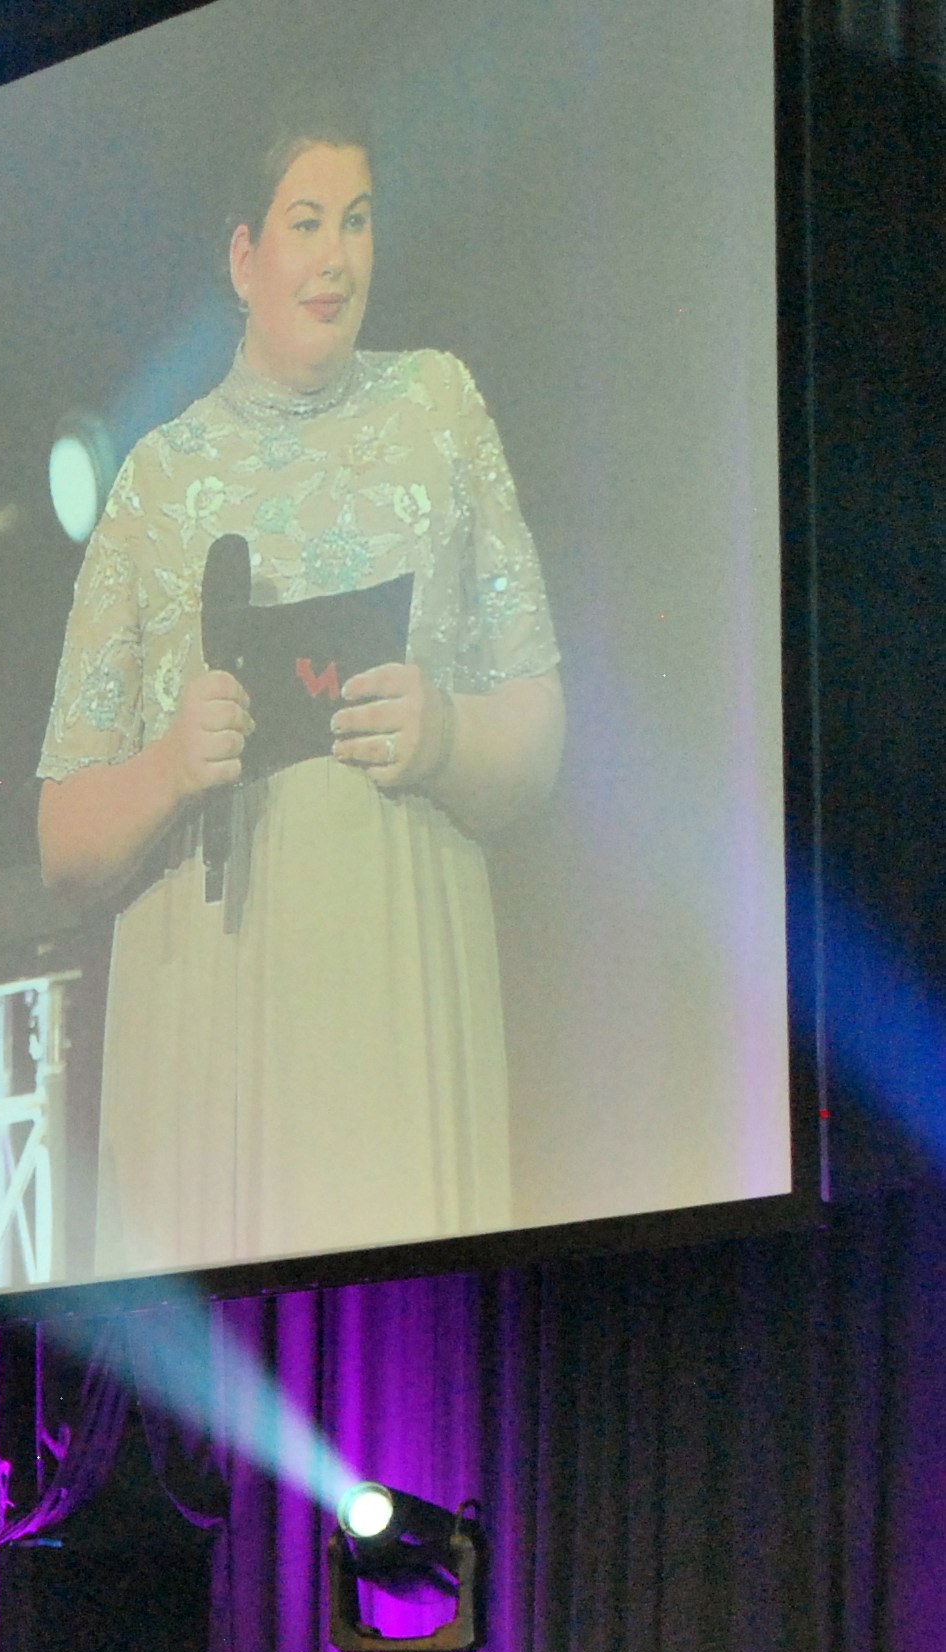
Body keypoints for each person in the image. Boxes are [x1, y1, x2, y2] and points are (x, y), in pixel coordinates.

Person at [34, 101, 564, 1277]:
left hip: (399, 990)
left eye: (356, 221)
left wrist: (443, 734)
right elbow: (61, 839)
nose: (335, 256)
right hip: (212, 1019)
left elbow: (537, 734)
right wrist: (169, 766)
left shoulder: (437, 408)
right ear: (242, 258)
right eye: (305, 222)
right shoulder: (156, 480)